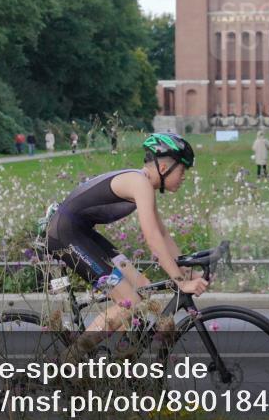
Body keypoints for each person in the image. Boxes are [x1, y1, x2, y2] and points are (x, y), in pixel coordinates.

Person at [46, 133, 207, 361]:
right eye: (183, 171)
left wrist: (188, 270)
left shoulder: (143, 184)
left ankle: (122, 362)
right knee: (129, 303)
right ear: (163, 167)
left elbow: (162, 234)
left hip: (81, 233)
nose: (184, 178)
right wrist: (182, 283)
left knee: (143, 286)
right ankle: (66, 363)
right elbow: (152, 238)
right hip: (65, 236)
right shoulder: (139, 183)